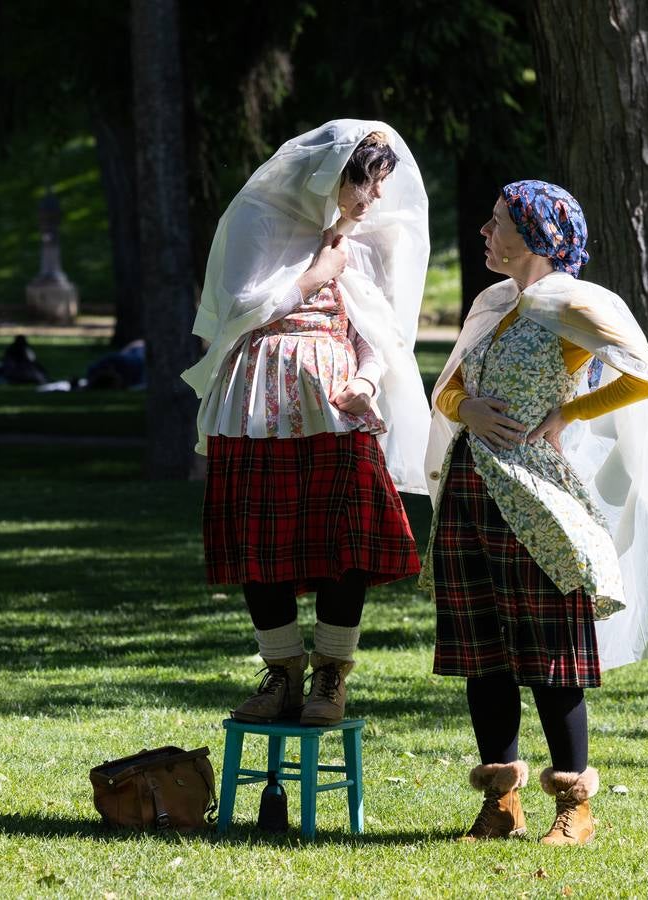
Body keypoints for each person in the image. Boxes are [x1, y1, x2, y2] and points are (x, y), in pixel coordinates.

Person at [421, 181, 648, 845]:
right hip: (468, 488)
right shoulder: (494, 303)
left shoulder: (573, 301)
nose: (485, 232)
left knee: (550, 653)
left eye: (497, 222)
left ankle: (573, 805)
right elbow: (450, 387)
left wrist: (566, 413)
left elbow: (642, 376)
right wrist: (467, 410)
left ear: (532, 233)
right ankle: (499, 804)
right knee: (481, 652)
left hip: (536, 495)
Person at [182, 120, 430, 727]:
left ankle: (330, 678)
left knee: (346, 540)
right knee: (260, 543)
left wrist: (366, 381)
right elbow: (240, 309)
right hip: (257, 402)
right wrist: (314, 276)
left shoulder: (365, 235)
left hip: (336, 405)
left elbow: (379, 329)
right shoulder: (259, 214)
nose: (374, 201)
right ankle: (281, 673)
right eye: (367, 186)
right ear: (334, 173)